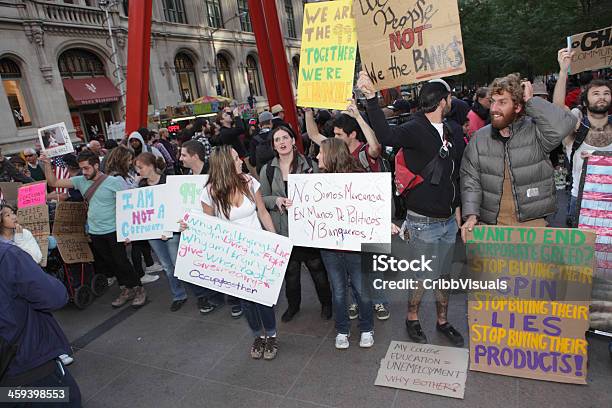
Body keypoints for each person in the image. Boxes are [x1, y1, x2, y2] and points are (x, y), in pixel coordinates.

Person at [358, 73, 464, 346]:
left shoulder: (452, 129)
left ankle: (443, 322)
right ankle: (412, 318)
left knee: (444, 276)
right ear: (443, 101)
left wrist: (459, 214)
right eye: (449, 97)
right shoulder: (415, 127)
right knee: (421, 275)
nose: (451, 101)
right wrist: (371, 98)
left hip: (449, 220)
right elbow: (386, 135)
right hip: (424, 222)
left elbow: (455, 175)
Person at [461, 73, 577, 236]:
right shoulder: (479, 138)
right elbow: (470, 180)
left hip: (533, 226)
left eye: (502, 102)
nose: (494, 108)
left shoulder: (536, 133)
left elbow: (564, 125)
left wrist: (531, 102)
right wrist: (471, 215)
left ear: (517, 107)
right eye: (493, 102)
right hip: (493, 228)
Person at [199, 145, 279, 359]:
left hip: (258, 248)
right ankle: (257, 336)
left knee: (263, 297)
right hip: (233, 255)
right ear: (225, 164)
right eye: (236, 158)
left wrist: (275, 241)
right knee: (245, 300)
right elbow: (207, 225)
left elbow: (262, 212)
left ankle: (271, 335)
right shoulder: (209, 192)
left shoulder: (250, 182)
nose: (241, 160)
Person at [41, 150, 148, 308]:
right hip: (95, 232)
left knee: (121, 262)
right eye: (82, 168)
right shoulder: (80, 180)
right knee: (111, 264)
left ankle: (138, 289)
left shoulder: (113, 182)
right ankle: (126, 289)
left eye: (86, 168)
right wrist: (47, 164)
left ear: (96, 165)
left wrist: (129, 231)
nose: (84, 172)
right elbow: (54, 183)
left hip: (114, 230)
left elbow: (129, 205)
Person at [259, 126, 333, 322]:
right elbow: (261, 199)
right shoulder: (267, 170)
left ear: (293, 140)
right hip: (283, 230)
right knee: (290, 273)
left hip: (308, 228)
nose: (282, 142)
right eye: (277, 140)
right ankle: (293, 306)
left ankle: (327, 304)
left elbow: (323, 191)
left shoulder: (309, 164)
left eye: (285, 138)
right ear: (273, 145)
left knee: (317, 269)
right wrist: (276, 201)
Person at [0, 241, 81, 406]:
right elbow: (56, 297)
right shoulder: (9, 255)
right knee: (64, 399)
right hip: (28, 365)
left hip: (8, 377)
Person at [314, 138, 374, 349]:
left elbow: (372, 208)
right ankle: (342, 329)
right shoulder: (316, 182)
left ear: (332, 154)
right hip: (330, 248)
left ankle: (366, 328)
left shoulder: (360, 179)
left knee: (361, 288)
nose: (317, 156)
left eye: (320, 153)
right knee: (338, 290)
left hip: (356, 248)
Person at [135, 153, 209, 312]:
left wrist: (169, 226)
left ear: (151, 166)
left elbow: (178, 206)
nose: (138, 171)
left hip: (172, 231)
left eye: (140, 167)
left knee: (179, 264)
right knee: (168, 267)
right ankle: (178, 295)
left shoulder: (169, 180)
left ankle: (201, 294)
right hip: (153, 233)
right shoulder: (141, 186)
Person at [553, 49, 612, 226]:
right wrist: (563, 71)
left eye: (606, 93)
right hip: (580, 202)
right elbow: (557, 109)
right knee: (583, 254)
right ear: (585, 102)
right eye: (596, 93)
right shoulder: (576, 129)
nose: (602, 97)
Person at [105, 146, 162, 284]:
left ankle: (146, 267)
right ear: (122, 159)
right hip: (128, 216)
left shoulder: (120, 174)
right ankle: (140, 274)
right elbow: (127, 195)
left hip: (132, 215)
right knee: (137, 246)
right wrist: (136, 183)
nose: (130, 163)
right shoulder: (116, 177)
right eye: (129, 160)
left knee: (140, 244)